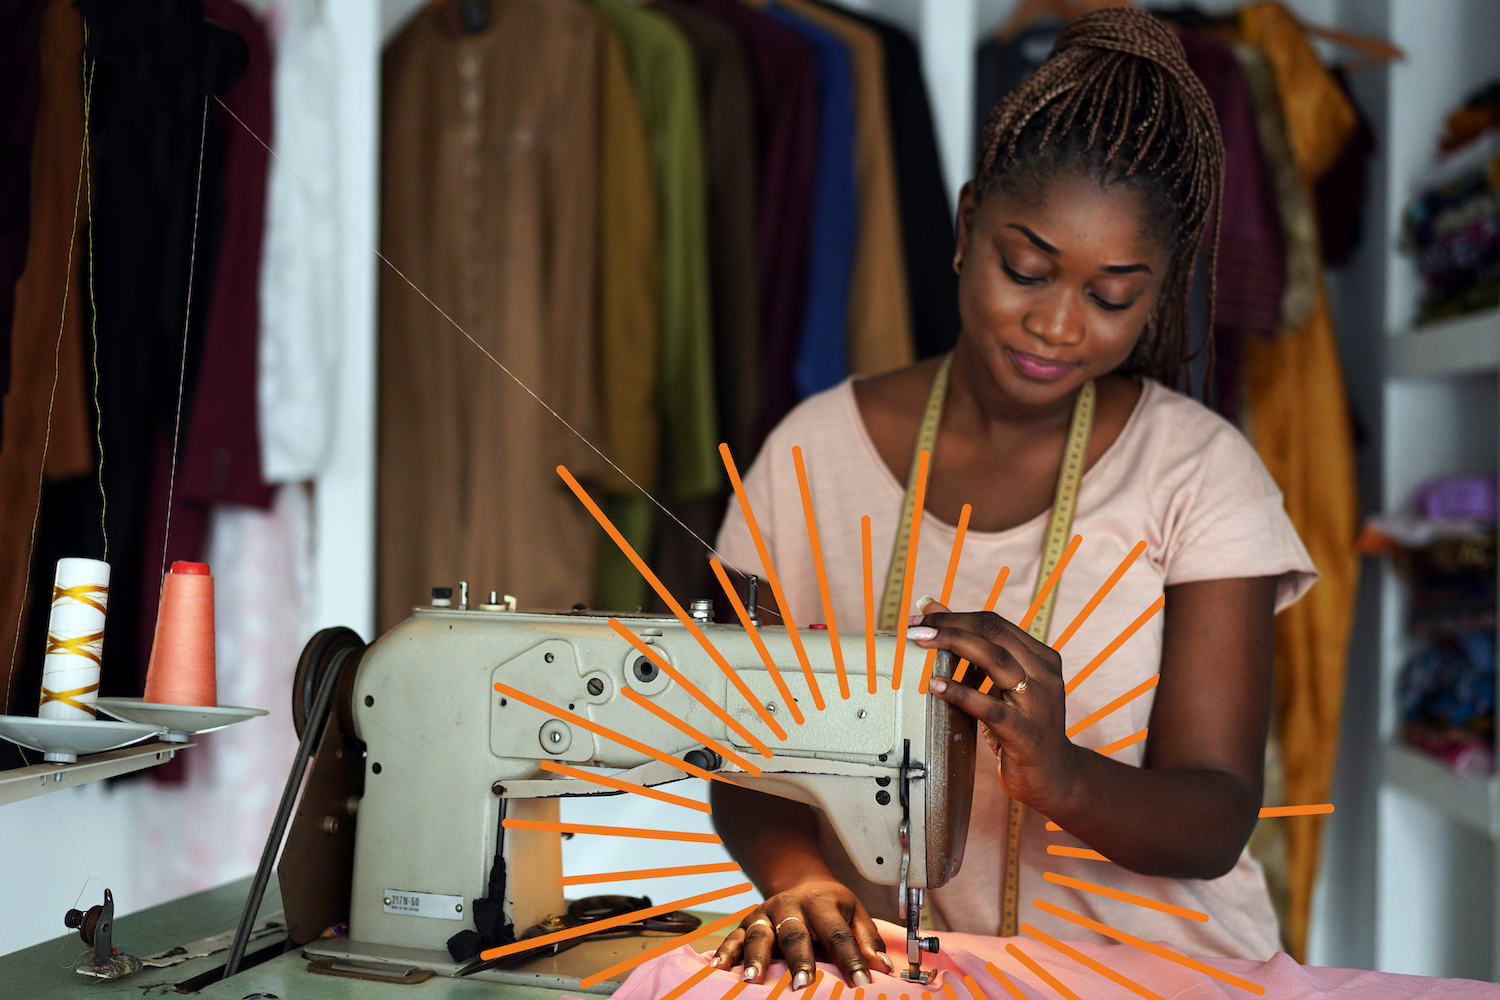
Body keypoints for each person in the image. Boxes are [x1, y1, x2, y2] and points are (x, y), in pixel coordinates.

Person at [708, 7, 1316, 990]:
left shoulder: (1202, 473)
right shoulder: (807, 454)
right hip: (896, 968)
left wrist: (1062, 774)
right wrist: (797, 876)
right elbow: (739, 755)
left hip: (1151, 972)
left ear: (1158, 296)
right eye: (1025, 268)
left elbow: (1215, 815)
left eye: (1113, 296)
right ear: (965, 224)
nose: (1056, 323)